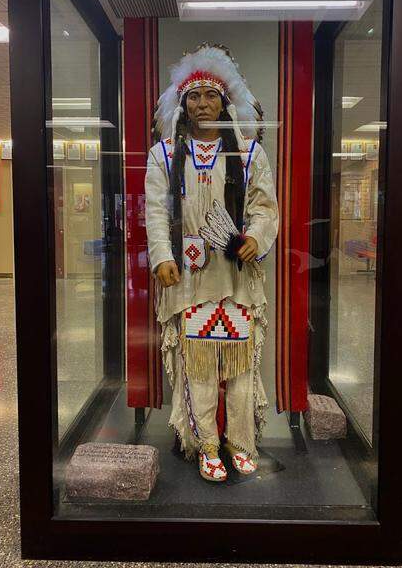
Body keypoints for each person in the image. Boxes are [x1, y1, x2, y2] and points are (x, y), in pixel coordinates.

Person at [145, 44, 279, 482]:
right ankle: (206, 443)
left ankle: (239, 440)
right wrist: (162, 255)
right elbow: (155, 211)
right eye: (194, 96)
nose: (203, 103)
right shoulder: (164, 154)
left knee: (239, 364)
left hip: (236, 278)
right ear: (182, 104)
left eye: (211, 95)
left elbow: (264, 208)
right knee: (198, 365)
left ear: (225, 101)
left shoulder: (248, 153)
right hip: (187, 280)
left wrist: (256, 237)